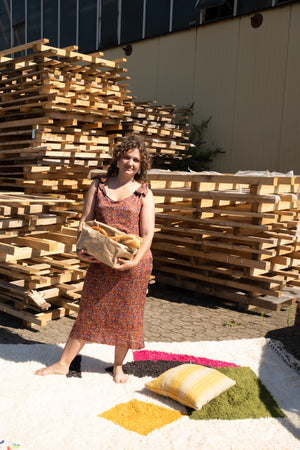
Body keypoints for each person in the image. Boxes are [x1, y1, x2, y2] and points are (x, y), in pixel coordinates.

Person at [35, 134, 154, 383]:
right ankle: (63, 363)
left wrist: (135, 262)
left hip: (130, 264)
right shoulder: (98, 184)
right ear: (118, 159)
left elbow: (147, 233)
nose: (130, 163)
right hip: (101, 259)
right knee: (88, 310)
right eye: (126, 157)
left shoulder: (144, 193)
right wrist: (81, 247)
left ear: (141, 165)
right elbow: (85, 221)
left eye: (136, 160)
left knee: (127, 314)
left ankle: (118, 367)